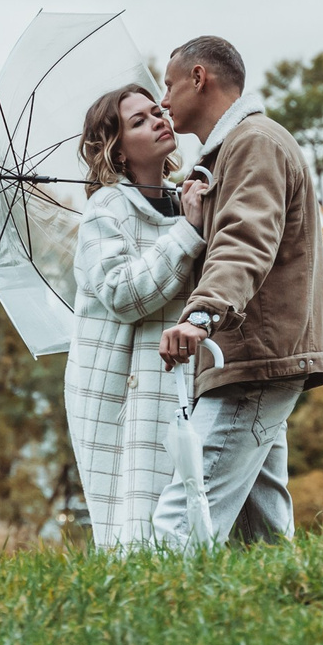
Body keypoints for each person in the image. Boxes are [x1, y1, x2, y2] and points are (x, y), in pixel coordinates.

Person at [151, 35, 323, 544]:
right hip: (250, 357)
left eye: (168, 85)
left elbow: (246, 238)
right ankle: (294, 593)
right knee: (263, 540)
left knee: (184, 513)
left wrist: (201, 315)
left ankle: (148, 596)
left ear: (199, 78)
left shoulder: (255, 142)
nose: (163, 101)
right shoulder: (231, 152)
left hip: (253, 359)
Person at [64, 85, 209, 549]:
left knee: (187, 506)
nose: (158, 120)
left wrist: (191, 219)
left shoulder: (184, 199)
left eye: (156, 111)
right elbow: (122, 295)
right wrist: (187, 232)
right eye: (139, 121)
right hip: (120, 386)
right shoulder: (105, 210)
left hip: (177, 376)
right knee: (135, 517)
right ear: (118, 150)